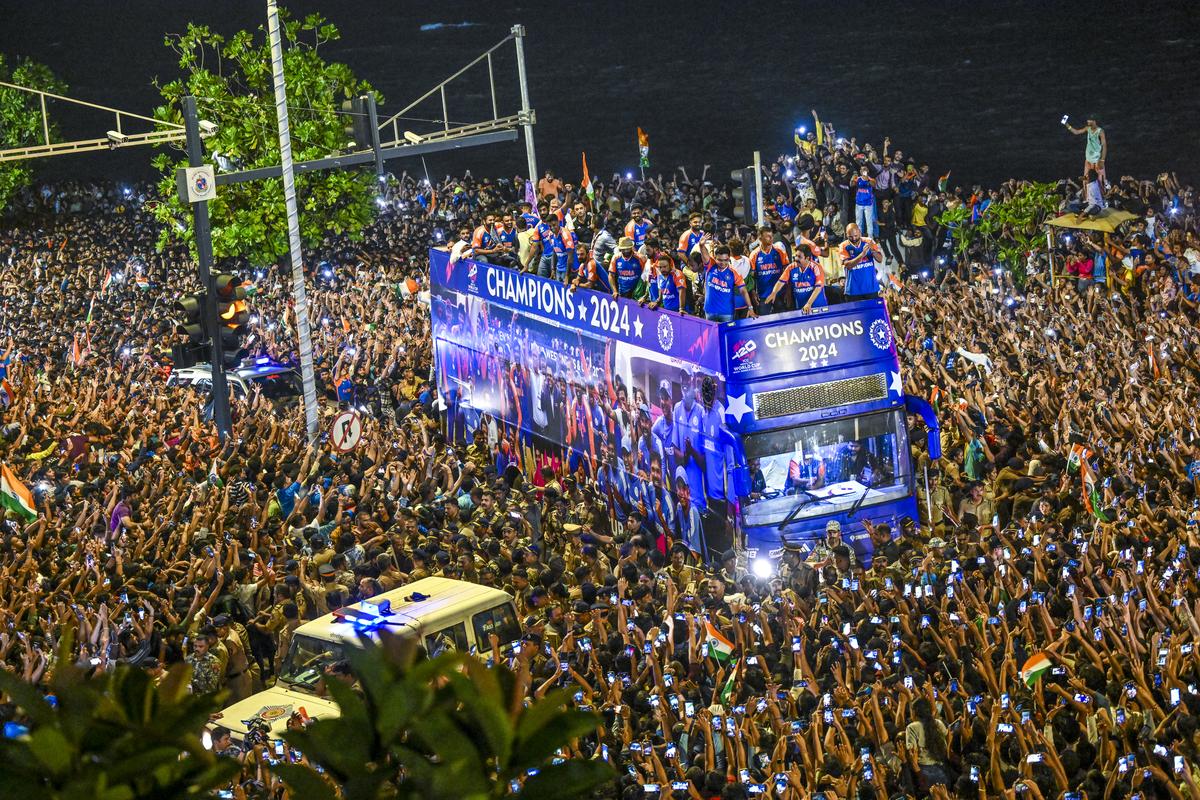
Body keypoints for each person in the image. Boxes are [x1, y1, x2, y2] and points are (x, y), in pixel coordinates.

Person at [698, 235, 756, 323]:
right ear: (715, 258)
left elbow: (743, 290)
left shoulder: (734, 272)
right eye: (719, 260)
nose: (723, 263)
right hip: (709, 311)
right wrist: (701, 246)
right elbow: (705, 256)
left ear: (729, 258)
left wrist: (750, 308)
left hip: (727, 313)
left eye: (725, 260)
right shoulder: (710, 265)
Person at [838, 223, 883, 300]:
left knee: (872, 312)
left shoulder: (869, 241)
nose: (854, 238)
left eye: (856, 235)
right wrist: (862, 254)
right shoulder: (843, 246)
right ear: (846, 234)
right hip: (853, 290)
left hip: (871, 288)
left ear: (859, 232)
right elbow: (848, 265)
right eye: (850, 237)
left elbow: (880, 259)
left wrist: (872, 250)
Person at [1064, 115, 1107, 185]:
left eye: (1089, 120)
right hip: (1088, 160)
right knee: (1086, 182)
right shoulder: (1088, 128)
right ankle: (1087, 195)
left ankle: (1102, 195)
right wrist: (1067, 124)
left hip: (1097, 161)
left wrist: (1102, 160)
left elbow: (1104, 146)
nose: (1087, 121)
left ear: (1094, 121)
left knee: (1100, 181)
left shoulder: (1100, 131)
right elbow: (1076, 132)